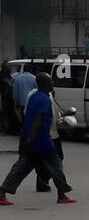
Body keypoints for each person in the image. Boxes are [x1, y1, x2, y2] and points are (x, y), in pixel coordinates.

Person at [0, 73, 75, 205]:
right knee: (56, 165)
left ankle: (2, 191)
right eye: (51, 82)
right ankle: (62, 194)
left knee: (22, 167)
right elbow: (38, 119)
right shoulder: (45, 99)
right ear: (44, 84)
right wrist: (32, 137)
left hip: (30, 137)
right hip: (41, 140)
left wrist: (27, 138)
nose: (53, 84)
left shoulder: (34, 96)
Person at [12, 62, 37, 129]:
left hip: (22, 102)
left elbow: (15, 92)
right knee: (31, 117)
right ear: (30, 70)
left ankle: (24, 130)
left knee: (23, 117)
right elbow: (37, 90)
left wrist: (15, 103)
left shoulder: (17, 78)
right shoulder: (34, 78)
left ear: (23, 70)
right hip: (32, 102)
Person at [0, 60, 14, 132]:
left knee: (10, 113)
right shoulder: (2, 76)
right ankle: (3, 127)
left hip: (10, 97)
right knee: (3, 113)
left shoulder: (9, 76)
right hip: (4, 98)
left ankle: (10, 128)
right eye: (8, 67)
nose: (10, 69)